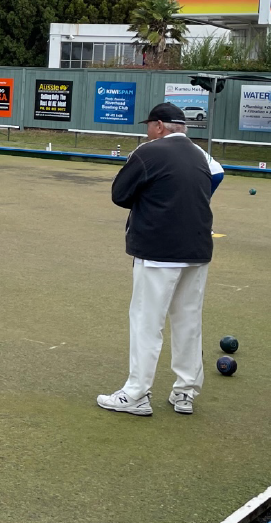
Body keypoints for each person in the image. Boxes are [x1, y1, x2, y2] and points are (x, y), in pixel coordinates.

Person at [97, 103, 214, 417]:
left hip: (158, 250)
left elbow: (120, 194)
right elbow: (215, 179)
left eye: (149, 125)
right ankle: (185, 392)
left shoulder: (148, 152)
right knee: (188, 321)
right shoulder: (200, 154)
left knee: (146, 322)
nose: (147, 131)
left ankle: (137, 393)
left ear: (159, 126)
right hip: (198, 249)